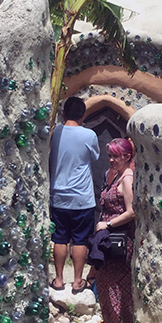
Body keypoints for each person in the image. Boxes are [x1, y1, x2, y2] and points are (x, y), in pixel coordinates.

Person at [49, 96, 99, 292]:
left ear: (63, 114)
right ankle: (78, 281)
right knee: (80, 240)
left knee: (60, 238)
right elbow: (95, 156)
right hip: (82, 198)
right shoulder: (89, 135)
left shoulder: (57, 132)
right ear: (83, 115)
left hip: (59, 196)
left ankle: (59, 279)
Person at [95, 137, 136, 323]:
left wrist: (108, 224)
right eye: (109, 156)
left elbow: (132, 212)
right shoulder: (115, 176)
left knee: (117, 286)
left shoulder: (127, 179)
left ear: (127, 157)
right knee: (106, 284)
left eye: (115, 156)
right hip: (109, 239)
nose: (111, 160)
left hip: (119, 240)